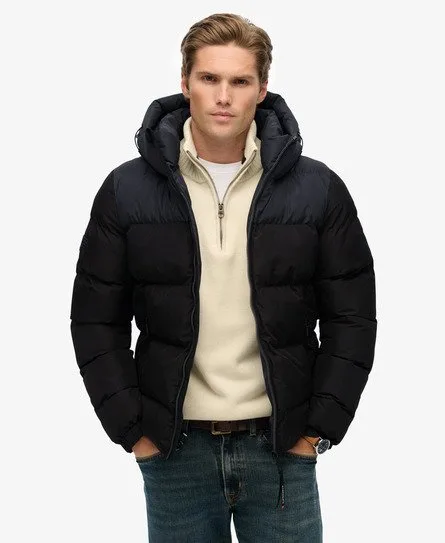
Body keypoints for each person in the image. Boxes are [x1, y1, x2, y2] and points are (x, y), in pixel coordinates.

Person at [70, 12, 377, 543]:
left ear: (262, 89)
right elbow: (96, 320)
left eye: (240, 81)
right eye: (209, 78)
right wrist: (133, 430)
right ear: (185, 81)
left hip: (281, 450)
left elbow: (352, 317)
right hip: (174, 451)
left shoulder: (318, 189)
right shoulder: (126, 190)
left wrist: (317, 431)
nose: (223, 97)